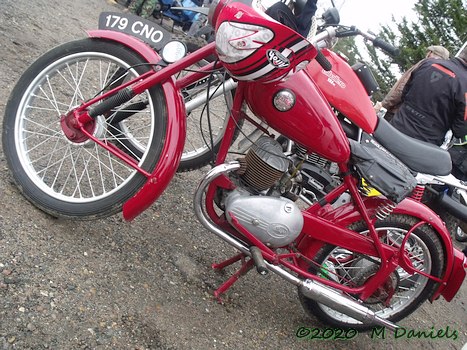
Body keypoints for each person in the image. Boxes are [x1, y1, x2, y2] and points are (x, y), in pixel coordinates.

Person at [389, 44, 467, 147]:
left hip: (394, 127)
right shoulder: (464, 84)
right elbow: (460, 130)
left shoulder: (428, 63)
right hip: (422, 144)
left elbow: (404, 93)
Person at [374, 45, 450, 120]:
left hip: (396, 111)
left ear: (430, 52)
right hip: (413, 119)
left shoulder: (425, 64)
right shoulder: (444, 77)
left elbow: (402, 87)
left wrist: (384, 104)